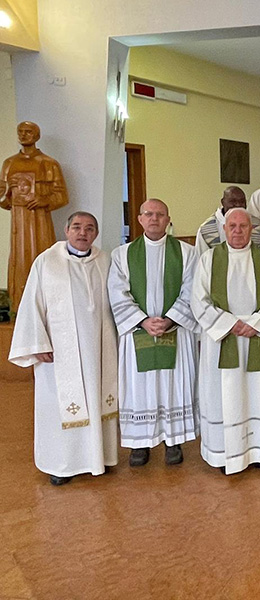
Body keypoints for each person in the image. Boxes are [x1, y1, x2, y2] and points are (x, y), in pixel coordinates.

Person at [9, 212, 118, 485]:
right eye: (77, 227)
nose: (83, 233)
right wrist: (38, 342)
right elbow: (32, 303)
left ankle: (100, 458)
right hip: (58, 353)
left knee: (98, 401)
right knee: (59, 406)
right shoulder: (47, 261)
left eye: (90, 228)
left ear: (96, 234)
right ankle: (61, 464)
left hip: (100, 350)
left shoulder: (105, 261)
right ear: (67, 230)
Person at [191, 208, 260, 474]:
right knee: (227, 396)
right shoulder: (209, 260)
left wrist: (256, 323)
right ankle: (226, 453)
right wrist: (230, 324)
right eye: (232, 226)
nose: (237, 231)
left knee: (259, 392)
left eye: (243, 226)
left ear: (251, 229)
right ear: (224, 229)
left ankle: (259, 450)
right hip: (223, 339)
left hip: (259, 338)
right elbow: (198, 301)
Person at [108, 199, 199, 467]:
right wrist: (143, 321)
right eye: (149, 214)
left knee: (174, 386)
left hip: (176, 331)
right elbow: (117, 291)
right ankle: (140, 444)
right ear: (139, 219)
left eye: (160, 214)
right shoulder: (122, 254)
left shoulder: (187, 253)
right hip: (138, 332)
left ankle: (174, 441)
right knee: (139, 389)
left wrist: (170, 320)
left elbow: (192, 289)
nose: (154, 219)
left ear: (168, 219)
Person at [0, 121, 69, 313]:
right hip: (18, 223)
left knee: (44, 257)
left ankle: (46, 308)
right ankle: (18, 307)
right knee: (19, 262)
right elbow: (2, 199)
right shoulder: (9, 163)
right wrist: (9, 191)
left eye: (28, 131)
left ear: (37, 136)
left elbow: (62, 196)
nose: (23, 135)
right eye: (20, 131)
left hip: (40, 222)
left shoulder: (49, 163)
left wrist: (44, 200)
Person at [195, 186, 260, 253]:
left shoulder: (258, 225)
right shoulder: (206, 229)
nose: (238, 205)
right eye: (232, 201)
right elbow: (201, 258)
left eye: (242, 201)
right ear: (223, 202)